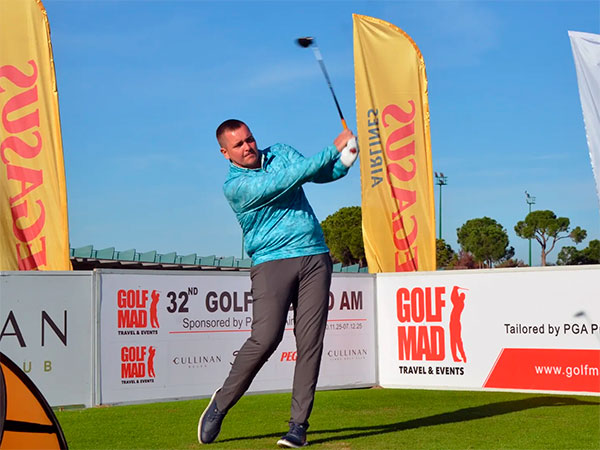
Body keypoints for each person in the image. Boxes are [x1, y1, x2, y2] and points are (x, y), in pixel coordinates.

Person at [198, 119, 358, 448]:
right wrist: (333, 147)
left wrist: (344, 161)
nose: (248, 147)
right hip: (271, 262)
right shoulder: (235, 187)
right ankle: (221, 404)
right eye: (239, 145)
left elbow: (316, 174)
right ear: (225, 153)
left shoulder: (281, 152)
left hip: (314, 256)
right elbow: (287, 179)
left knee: (310, 342)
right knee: (265, 339)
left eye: (250, 139)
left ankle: (298, 426)